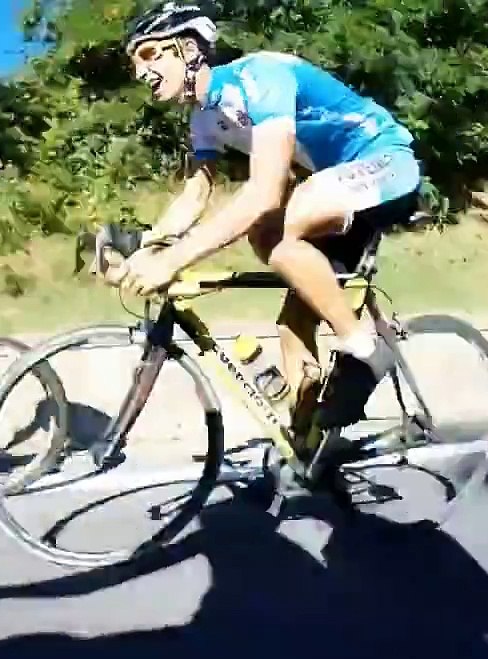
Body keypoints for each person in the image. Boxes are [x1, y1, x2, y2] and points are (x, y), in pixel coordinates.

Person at [106, 2, 422, 434]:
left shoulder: (259, 77)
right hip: (336, 190)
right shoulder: (203, 118)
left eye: (149, 54)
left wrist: (174, 260)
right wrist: (148, 245)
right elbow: (195, 195)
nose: (141, 71)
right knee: (290, 320)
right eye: (134, 63)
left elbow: (267, 190)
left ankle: (365, 351)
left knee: (286, 212)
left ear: (188, 48)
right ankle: (311, 444)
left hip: (384, 163)